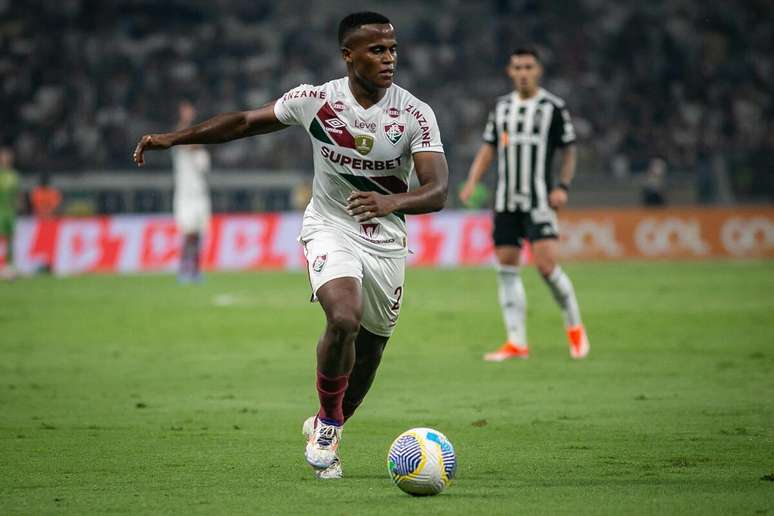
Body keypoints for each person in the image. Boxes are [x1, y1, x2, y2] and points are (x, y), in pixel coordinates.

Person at [132, 12, 448, 479]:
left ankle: (330, 421)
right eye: (377, 50)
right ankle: (328, 428)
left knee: (372, 352)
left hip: (386, 241)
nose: (389, 59)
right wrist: (172, 140)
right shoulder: (316, 101)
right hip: (330, 227)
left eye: (393, 50)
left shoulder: (415, 113)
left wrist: (391, 202)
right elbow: (241, 122)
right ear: (348, 55)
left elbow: (437, 189)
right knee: (343, 318)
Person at [459, 47, 589, 361]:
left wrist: (563, 186)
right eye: (517, 67)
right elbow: (488, 148)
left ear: (538, 71)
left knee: (546, 267)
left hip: (539, 200)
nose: (523, 72)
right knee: (506, 267)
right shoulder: (501, 107)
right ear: (509, 71)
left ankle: (575, 328)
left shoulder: (553, 107)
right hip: (505, 201)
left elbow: (569, 150)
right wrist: (473, 180)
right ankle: (516, 342)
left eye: (528, 67)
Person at [171, 101, 212, 283]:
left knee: (197, 236)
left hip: (200, 197)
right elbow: (178, 137)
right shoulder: (180, 151)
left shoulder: (201, 154)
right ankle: (183, 269)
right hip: (185, 197)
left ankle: (194, 270)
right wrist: (186, 121)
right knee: (188, 234)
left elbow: (204, 168)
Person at [0, 147, 20, 279]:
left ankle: (9, 267)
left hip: (10, 212)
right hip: (0, 211)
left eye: (7, 157)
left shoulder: (14, 175)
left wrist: (18, 203)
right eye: (3, 157)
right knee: (1, 239)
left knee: (11, 239)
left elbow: (16, 193)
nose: (6, 159)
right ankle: (2, 266)